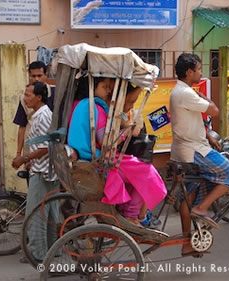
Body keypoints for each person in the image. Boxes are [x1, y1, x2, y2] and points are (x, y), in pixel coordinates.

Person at [170, 53, 229, 257]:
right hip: (194, 150)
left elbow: (190, 120)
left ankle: (186, 243)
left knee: (188, 197)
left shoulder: (180, 91)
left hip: (183, 151)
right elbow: (215, 111)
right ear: (189, 72)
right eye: (199, 69)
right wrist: (204, 97)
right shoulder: (187, 93)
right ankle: (202, 208)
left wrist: (209, 136)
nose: (201, 73)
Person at [68, 80, 167, 226]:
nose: (107, 91)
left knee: (138, 170)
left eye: (108, 88)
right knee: (147, 170)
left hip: (87, 155)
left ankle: (133, 212)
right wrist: (126, 131)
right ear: (92, 88)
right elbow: (106, 142)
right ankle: (132, 214)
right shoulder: (96, 108)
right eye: (104, 87)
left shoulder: (82, 105)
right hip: (98, 159)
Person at [11, 82, 59, 263]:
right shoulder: (39, 114)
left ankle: (38, 254)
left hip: (44, 172)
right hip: (44, 169)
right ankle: (53, 250)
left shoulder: (43, 115)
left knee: (36, 214)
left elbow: (46, 146)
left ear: (39, 97)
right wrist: (30, 159)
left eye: (28, 95)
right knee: (50, 212)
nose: (25, 98)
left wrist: (24, 158)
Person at [12, 61, 55, 164]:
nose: (36, 79)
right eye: (33, 76)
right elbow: (22, 126)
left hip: (51, 145)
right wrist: (19, 153)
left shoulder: (56, 93)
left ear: (46, 75)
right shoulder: (24, 98)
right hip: (31, 144)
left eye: (39, 76)